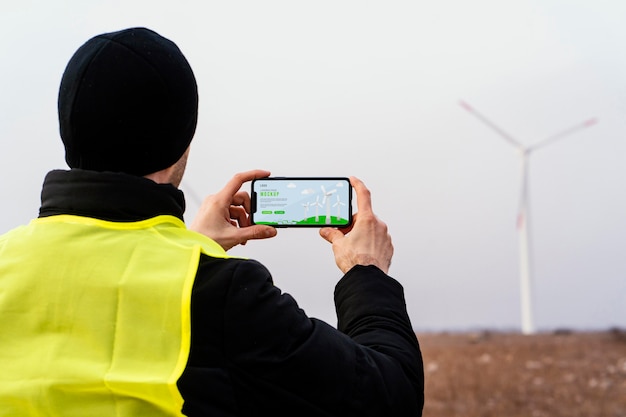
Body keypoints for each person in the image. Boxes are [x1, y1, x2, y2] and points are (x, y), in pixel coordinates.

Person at [0, 27, 424, 416]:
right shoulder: (222, 294)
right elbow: (390, 397)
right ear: (183, 139)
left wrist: (189, 245)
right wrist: (366, 273)